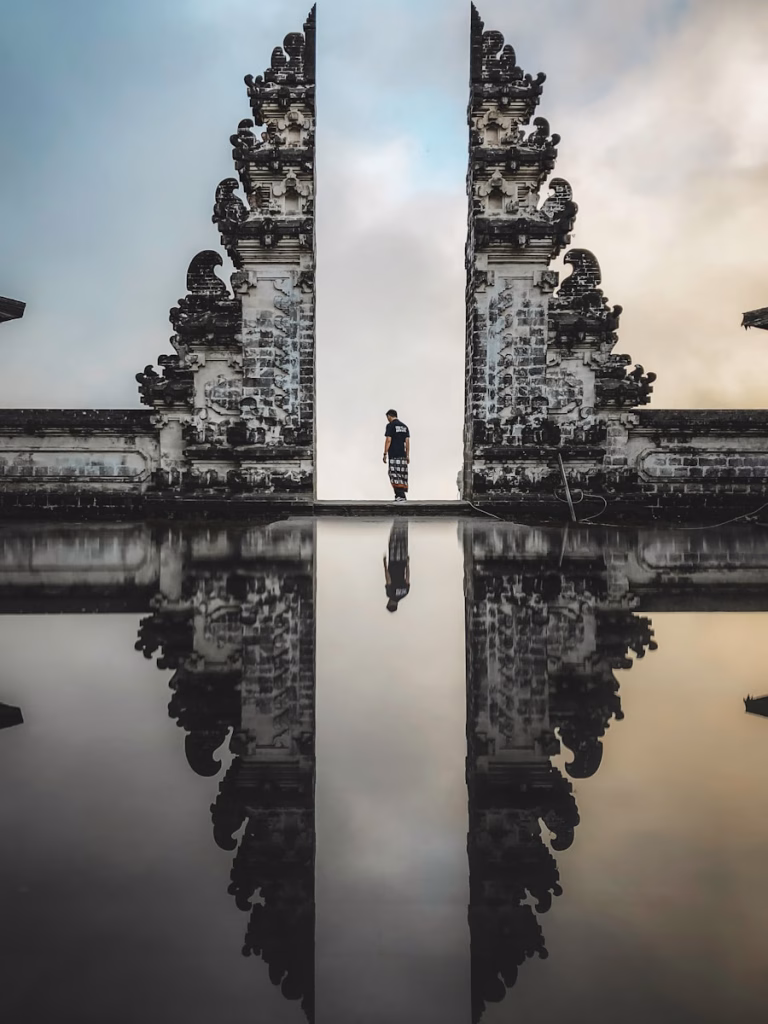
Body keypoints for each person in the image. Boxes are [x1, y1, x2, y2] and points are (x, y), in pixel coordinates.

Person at [382, 409, 410, 501]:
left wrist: (385, 453)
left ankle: (399, 495)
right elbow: (407, 442)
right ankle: (401, 495)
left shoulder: (390, 426)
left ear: (389, 416)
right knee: (402, 474)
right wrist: (407, 455)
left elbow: (388, 440)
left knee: (394, 474)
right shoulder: (404, 426)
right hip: (402, 454)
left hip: (394, 454)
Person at [383, 520, 410, 612]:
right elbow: (388, 579)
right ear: (390, 604)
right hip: (394, 561)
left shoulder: (405, 593)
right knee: (393, 539)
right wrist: (384, 564)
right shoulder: (390, 594)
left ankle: (405, 520)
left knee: (403, 539)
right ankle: (397, 519)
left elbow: (407, 578)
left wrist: (407, 564)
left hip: (403, 561)